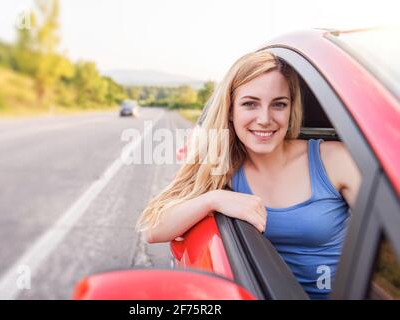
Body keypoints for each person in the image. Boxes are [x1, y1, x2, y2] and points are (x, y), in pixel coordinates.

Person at [136, 51, 361, 299]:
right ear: (230, 110)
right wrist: (213, 199)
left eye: (279, 104)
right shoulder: (221, 165)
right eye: (250, 104)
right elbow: (151, 229)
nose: (265, 119)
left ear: (291, 109)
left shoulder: (335, 160)